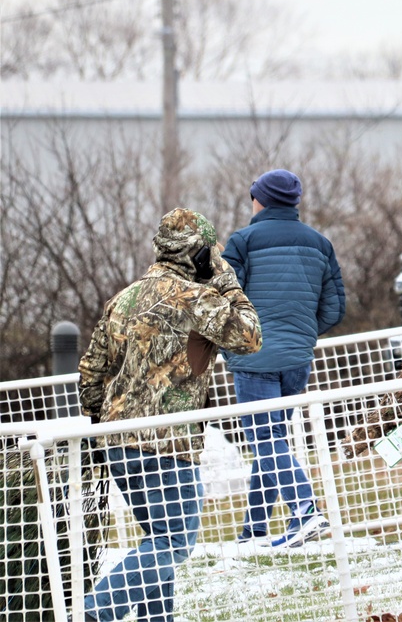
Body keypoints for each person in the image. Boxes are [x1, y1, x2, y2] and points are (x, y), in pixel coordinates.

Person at [78, 208, 262, 621]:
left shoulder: (121, 300)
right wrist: (226, 281)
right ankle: (93, 613)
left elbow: (90, 372)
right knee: (174, 542)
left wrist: (98, 426)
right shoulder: (198, 298)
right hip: (167, 444)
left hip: (118, 441)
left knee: (157, 539)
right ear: (198, 255)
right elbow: (250, 337)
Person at [222, 168, 346, 548]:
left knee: (265, 441)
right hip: (296, 359)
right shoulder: (320, 243)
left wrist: (232, 343)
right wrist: (300, 334)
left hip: (254, 357)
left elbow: (223, 298)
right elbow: (335, 308)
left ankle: (306, 512)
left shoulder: (242, 241)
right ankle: (254, 531)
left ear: (260, 200)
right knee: (272, 441)